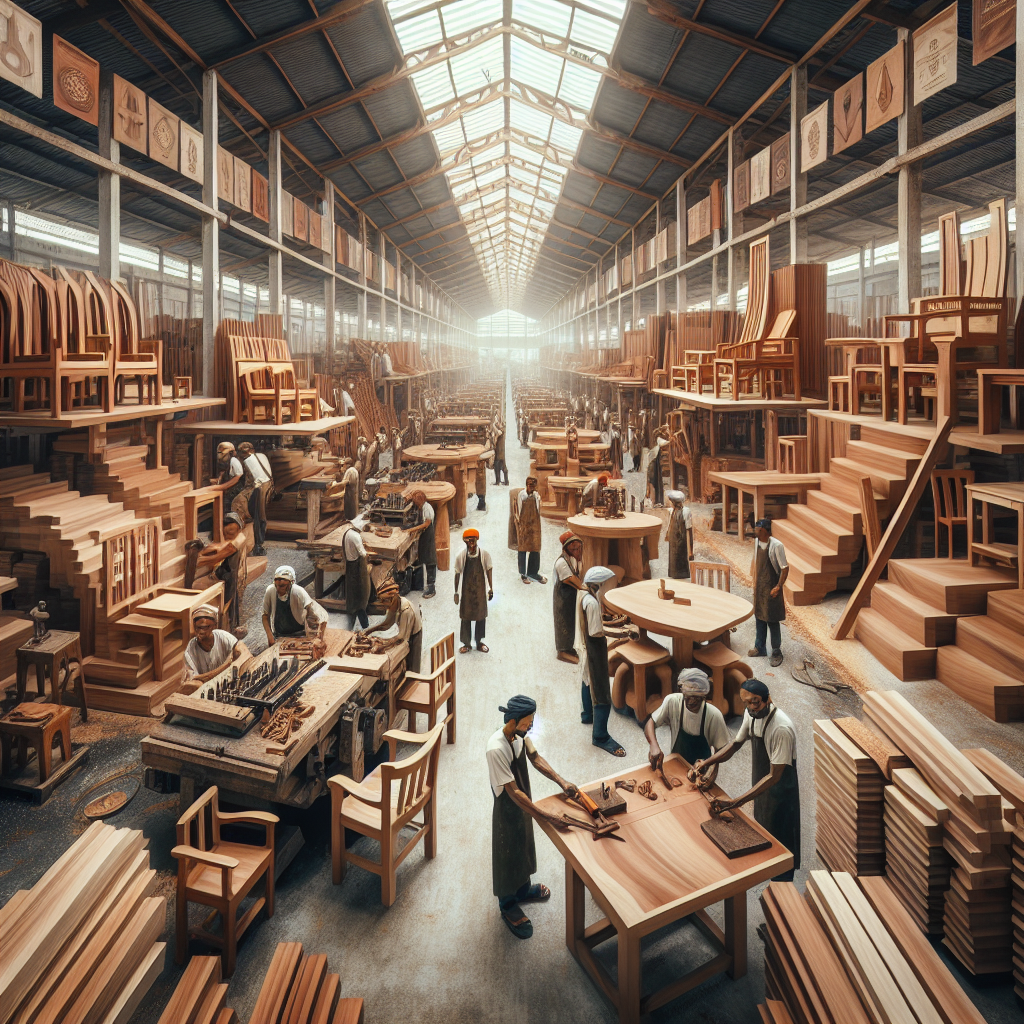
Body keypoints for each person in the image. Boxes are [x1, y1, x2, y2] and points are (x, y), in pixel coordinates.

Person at [487, 694, 579, 940]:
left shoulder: (519, 735)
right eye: (529, 721)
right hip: (509, 806)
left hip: (522, 801)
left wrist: (562, 781)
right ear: (514, 720)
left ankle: (523, 889)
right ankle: (507, 904)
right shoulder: (496, 748)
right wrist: (546, 816)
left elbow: (535, 758)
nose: (531, 726)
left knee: (524, 843)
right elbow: (514, 793)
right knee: (507, 852)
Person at [694, 678, 800, 882]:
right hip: (761, 782)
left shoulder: (781, 729)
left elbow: (774, 776)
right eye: (746, 703)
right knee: (763, 825)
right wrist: (706, 762)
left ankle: (783, 882)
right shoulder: (751, 715)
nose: (751, 707)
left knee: (782, 832)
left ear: (767, 699)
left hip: (780, 788)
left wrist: (735, 803)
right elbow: (734, 745)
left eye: (755, 702)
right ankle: (767, 869)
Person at [575, 566, 627, 757]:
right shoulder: (593, 603)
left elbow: (595, 624)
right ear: (600, 584)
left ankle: (587, 715)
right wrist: (623, 633)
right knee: (602, 692)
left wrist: (614, 625)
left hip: (586, 647)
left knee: (586, 679)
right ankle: (600, 736)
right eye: (609, 584)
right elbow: (597, 632)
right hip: (594, 649)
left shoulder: (584, 595)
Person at [644, 668, 729, 774]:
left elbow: (722, 751)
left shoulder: (714, 715)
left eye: (696, 698)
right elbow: (651, 722)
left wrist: (712, 771)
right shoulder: (673, 701)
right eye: (687, 697)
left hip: (702, 768)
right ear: (682, 691)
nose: (691, 701)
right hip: (676, 762)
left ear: (704, 696)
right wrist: (653, 745)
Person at [192, 513, 249, 633]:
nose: (227, 536)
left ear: (238, 529)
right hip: (231, 574)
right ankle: (231, 626)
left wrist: (197, 560)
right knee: (233, 603)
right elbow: (220, 546)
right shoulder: (237, 537)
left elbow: (218, 557)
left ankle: (227, 629)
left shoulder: (238, 541)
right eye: (225, 533)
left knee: (198, 586)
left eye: (231, 533)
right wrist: (207, 549)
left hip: (231, 577)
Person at [749, 518, 788, 668]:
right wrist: (753, 580)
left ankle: (776, 651)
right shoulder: (757, 542)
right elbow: (756, 562)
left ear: (764, 530)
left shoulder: (777, 546)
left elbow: (785, 568)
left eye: (758, 529)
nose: (755, 531)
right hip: (760, 587)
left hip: (772, 588)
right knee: (759, 617)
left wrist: (778, 586)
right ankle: (760, 648)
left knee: (772, 620)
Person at [362, 577, 423, 672]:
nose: (383, 604)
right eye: (381, 600)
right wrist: (369, 631)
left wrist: (384, 643)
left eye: (384, 600)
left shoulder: (406, 611)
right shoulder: (393, 604)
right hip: (404, 633)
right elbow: (387, 624)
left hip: (414, 634)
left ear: (393, 597)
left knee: (412, 666)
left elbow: (402, 638)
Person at [183, 605, 248, 691]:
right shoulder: (191, 648)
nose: (200, 631)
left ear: (214, 626)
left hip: (229, 682)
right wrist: (227, 665)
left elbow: (244, 654)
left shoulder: (223, 637)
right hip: (207, 687)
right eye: (198, 627)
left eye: (205, 627)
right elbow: (194, 680)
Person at [261, 565, 326, 648]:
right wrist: (270, 637)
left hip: (299, 635)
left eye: (282, 586)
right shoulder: (270, 590)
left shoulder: (298, 591)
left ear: (291, 583)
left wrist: (313, 636)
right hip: (279, 636)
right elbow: (265, 616)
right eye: (276, 585)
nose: (278, 589)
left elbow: (312, 611)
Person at [454, 528, 492, 653]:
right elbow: (457, 573)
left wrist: (491, 588)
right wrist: (456, 592)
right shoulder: (461, 556)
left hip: (480, 592)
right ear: (465, 542)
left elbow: (489, 570)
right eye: (468, 541)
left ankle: (479, 642)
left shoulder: (484, 555)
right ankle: (466, 643)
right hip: (467, 592)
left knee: (481, 616)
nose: (471, 543)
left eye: (473, 540)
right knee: (466, 616)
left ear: (477, 540)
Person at [552, 531, 584, 664]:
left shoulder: (573, 560)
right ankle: (562, 651)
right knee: (563, 622)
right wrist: (584, 587)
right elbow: (571, 580)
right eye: (573, 548)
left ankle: (569, 648)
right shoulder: (561, 562)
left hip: (570, 596)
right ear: (566, 549)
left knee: (571, 622)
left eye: (578, 548)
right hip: (562, 597)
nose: (576, 551)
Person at [236, 442, 273, 555]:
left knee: (258, 515)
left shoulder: (247, 461)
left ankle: (258, 544)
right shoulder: (262, 455)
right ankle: (258, 542)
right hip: (269, 485)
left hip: (260, 488)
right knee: (260, 515)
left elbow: (250, 481)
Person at [342, 522, 374, 630]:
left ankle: (351, 625)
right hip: (356, 569)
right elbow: (363, 553)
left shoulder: (347, 533)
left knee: (352, 596)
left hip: (350, 566)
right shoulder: (356, 536)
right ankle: (365, 625)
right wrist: (368, 554)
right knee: (360, 596)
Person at [513, 477, 545, 585]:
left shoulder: (536, 496)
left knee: (535, 548)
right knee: (522, 548)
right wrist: (520, 525)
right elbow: (518, 511)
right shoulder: (521, 495)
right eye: (530, 486)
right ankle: (523, 574)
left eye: (534, 486)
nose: (532, 488)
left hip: (535, 525)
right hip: (524, 524)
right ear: (527, 485)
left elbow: (538, 510)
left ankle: (533, 572)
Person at [408, 489, 437, 599]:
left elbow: (426, 524)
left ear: (420, 499)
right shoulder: (421, 507)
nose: (415, 502)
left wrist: (412, 530)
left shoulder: (427, 508)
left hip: (428, 536)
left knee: (430, 560)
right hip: (423, 537)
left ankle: (431, 587)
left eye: (416, 500)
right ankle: (419, 584)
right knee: (421, 558)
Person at [666, 489, 693, 580]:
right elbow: (670, 523)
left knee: (680, 558)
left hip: (681, 540)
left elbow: (689, 530)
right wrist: (667, 534)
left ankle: (681, 576)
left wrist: (690, 551)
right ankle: (673, 575)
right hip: (673, 540)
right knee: (673, 559)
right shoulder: (671, 511)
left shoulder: (685, 512)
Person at [212, 442, 244, 512]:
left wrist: (223, 486)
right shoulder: (225, 462)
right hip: (227, 490)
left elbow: (237, 477)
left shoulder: (234, 461)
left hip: (234, 491)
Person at [341, 458, 360, 522]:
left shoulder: (350, 470)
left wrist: (336, 484)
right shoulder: (354, 470)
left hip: (349, 491)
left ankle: (349, 520)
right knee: (353, 507)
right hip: (353, 491)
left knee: (349, 507)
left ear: (347, 464)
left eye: (344, 465)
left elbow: (346, 481)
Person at [492, 415, 509, 485]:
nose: (497, 424)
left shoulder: (502, 430)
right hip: (499, 451)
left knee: (500, 466)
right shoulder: (501, 428)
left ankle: (501, 481)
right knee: (498, 467)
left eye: (497, 423)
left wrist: (493, 426)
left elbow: (498, 432)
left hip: (500, 452)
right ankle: (502, 481)